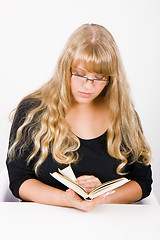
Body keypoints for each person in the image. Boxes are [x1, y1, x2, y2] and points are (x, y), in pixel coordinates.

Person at [6, 23, 152, 212]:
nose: (88, 86)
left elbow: (142, 181)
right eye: (80, 74)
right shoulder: (33, 111)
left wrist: (101, 198)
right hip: (42, 222)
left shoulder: (123, 116)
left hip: (108, 224)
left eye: (99, 77)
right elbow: (19, 180)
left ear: (111, 79)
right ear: (65, 68)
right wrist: (69, 200)